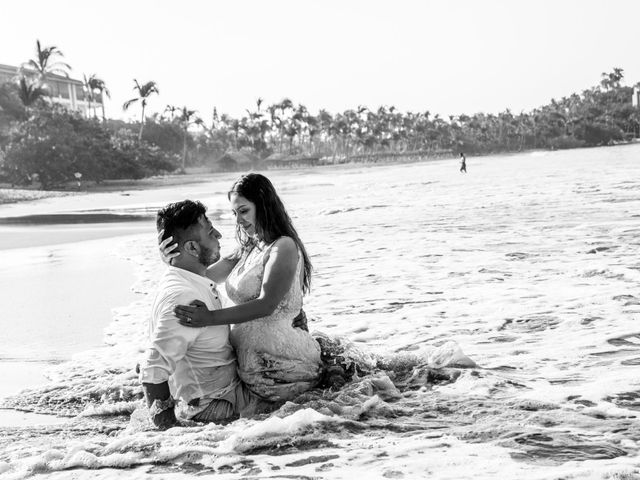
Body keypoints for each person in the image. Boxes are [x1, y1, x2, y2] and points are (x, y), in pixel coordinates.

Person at [164, 173, 323, 402]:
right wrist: (169, 260)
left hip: (284, 367)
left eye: (244, 211)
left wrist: (209, 317)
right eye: (234, 213)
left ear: (264, 205)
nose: (238, 220)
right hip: (249, 365)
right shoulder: (247, 248)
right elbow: (201, 274)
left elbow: (266, 305)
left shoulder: (284, 247)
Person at [140, 200, 261, 429]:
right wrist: (168, 432)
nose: (218, 234)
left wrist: (260, 236)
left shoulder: (186, 277)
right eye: (210, 231)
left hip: (224, 397)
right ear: (192, 249)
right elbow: (153, 370)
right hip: (216, 410)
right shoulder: (183, 297)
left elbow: (233, 258)